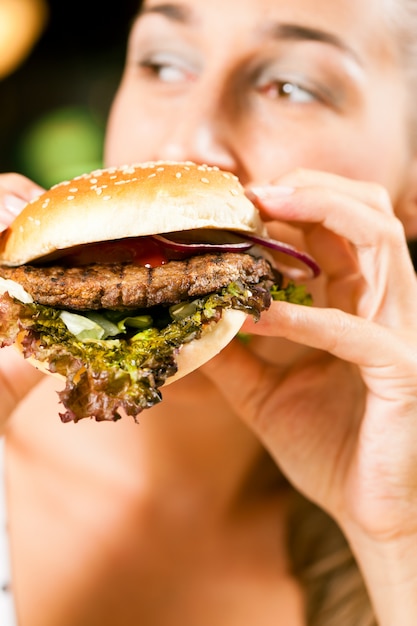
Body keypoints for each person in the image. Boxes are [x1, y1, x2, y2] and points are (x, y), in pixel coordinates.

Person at [1, 0, 417, 624]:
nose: (186, 139)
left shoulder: (394, 519)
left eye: (291, 86)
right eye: (163, 64)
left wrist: (398, 539)